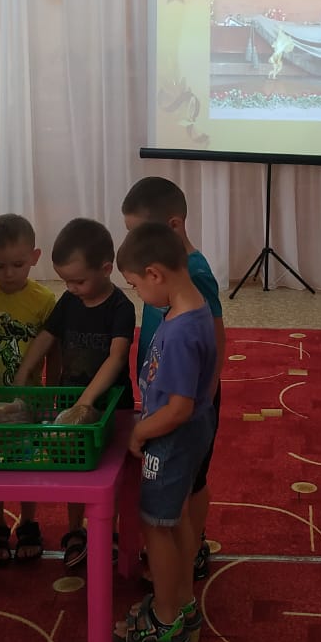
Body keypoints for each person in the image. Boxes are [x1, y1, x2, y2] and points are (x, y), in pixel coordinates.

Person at [112, 222, 217, 642]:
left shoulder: (179, 331)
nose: (138, 294)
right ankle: (182, 602)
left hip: (172, 439)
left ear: (155, 273)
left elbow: (179, 408)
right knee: (175, 521)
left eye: (136, 285)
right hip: (187, 435)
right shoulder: (193, 310)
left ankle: (167, 618)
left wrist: (140, 430)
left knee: (157, 526)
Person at [12, 217, 136, 569]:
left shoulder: (120, 308)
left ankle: (106, 531)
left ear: (106, 269)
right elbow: (47, 337)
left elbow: (116, 358)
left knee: (108, 471)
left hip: (111, 407)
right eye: (66, 281)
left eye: (79, 281)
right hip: (70, 404)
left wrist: (87, 400)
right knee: (73, 465)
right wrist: (24, 371)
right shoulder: (68, 301)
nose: (72, 288)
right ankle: (75, 531)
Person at [121, 176, 226, 581]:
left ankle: (191, 551)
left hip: (189, 401)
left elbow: (215, 336)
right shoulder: (165, 277)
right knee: (176, 489)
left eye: (140, 232)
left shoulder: (193, 273)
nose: (135, 242)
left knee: (191, 480)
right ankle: (178, 552)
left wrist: (205, 398)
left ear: (173, 226)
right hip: (170, 394)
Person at [0, 213, 58, 564]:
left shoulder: (44, 300)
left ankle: (28, 521)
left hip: (28, 402)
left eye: (18, 265)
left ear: (35, 257)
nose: (8, 273)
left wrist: (50, 393)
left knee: (26, 462)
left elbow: (54, 352)